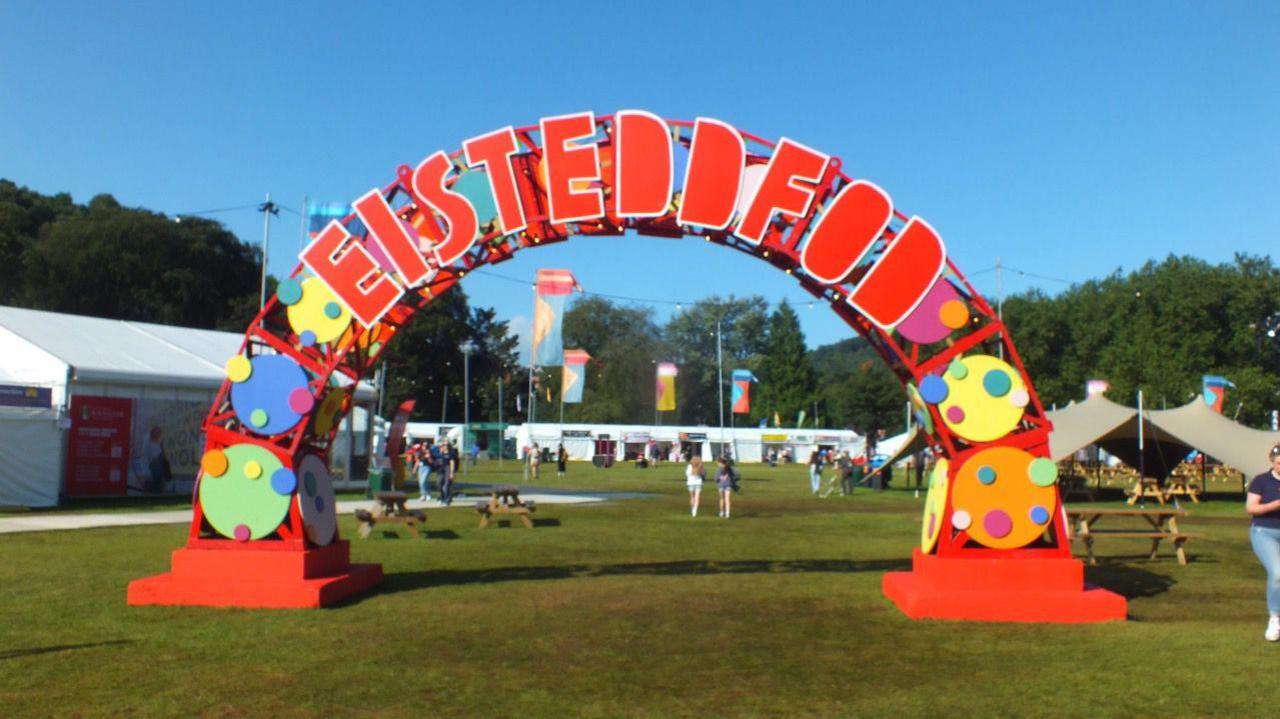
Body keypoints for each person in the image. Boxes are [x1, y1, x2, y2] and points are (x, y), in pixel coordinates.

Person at [1246, 443, 1280, 641]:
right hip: (1264, 531)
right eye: (1278, 463)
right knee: (1277, 573)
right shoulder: (1261, 481)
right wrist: (1275, 504)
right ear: (1272, 461)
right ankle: (1275, 617)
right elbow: (1251, 508)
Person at [144, 426, 170, 493]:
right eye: (158, 433)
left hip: (158, 464)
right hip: (155, 464)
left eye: (160, 433)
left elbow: (162, 454)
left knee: (160, 482)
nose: (160, 435)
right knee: (157, 481)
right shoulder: (149, 444)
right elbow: (151, 456)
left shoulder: (157, 443)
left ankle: (158, 492)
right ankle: (156, 493)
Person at [439, 440, 458, 506]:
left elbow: (452, 463)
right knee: (439, 484)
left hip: (448, 468)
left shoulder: (451, 453)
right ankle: (442, 498)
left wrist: (451, 473)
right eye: (444, 445)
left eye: (446, 445)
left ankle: (447, 500)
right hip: (442, 469)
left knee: (446, 485)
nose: (445, 446)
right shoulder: (441, 453)